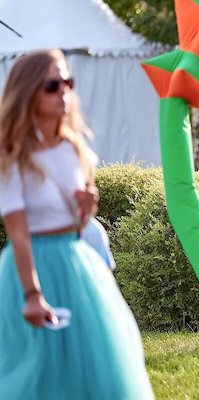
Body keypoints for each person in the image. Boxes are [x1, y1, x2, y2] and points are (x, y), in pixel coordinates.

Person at [0, 49, 153, 398]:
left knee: (95, 364)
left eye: (68, 82)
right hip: (32, 268)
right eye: (52, 85)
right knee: (37, 370)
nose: (64, 93)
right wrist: (32, 294)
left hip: (77, 260)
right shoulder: (12, 157)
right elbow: (18, 233)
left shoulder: (73, 148)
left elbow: (80, 217)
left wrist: (88, 204)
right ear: (28, 92)